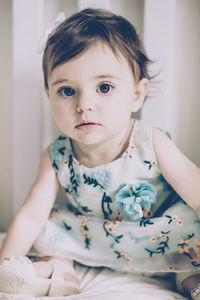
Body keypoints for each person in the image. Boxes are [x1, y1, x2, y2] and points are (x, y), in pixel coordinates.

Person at [0, 8, 200, 299]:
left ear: (136, 94)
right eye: (67, 91)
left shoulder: (150, 141)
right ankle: (62, 271)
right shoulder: (57, 155)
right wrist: (5, 261)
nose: (84, 105)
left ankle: (191, 282)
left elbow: (196, 189)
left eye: (104, 87)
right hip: (98, 236)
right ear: (49, 95)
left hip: (161, 234)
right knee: (46, 230)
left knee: (189, 252)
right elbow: (31, 216)